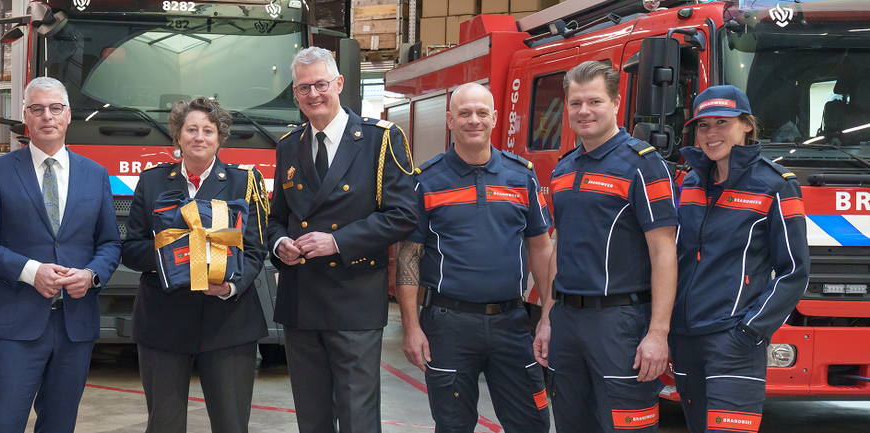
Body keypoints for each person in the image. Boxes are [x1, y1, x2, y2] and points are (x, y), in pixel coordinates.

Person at [267, 47, 418, 432]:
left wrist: (338, 242)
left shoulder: (379, 140)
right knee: (312, 417)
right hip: (301, 301)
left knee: (357, 417)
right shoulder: (288, 145)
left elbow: (404, 215)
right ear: (295, 93)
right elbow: (277, 219)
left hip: (354, 301)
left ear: (339, 83)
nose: (313, 95)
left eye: (321, 84)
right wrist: (279, 244)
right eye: (303, 88)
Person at [0, 76, 122, 433]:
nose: (47, 116)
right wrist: (30, 271)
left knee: (59, 425)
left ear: (68, 116)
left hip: (75, 325)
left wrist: (92, 275)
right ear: (26, 118)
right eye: (37, 109)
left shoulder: (95, 174)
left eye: (55, 108)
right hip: (18, 324)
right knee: (4, 423)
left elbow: (110, 242)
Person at [396, 83, 553, 432]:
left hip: (512, 323)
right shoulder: (426, 181)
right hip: (447, 325)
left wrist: (548, 316)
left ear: (495, 118)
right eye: (464, 113)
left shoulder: (520, 175)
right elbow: (409, 255)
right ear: (450, 120)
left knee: (532, 422)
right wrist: (411, 326)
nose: (474, 120)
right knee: (453, 425)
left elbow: (541, 247)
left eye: (482, 113)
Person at [541, 60, 679, 432]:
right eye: (575, 103)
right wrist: (546, 319)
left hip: (620, 323)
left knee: (627, 425)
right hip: (566, 321)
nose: (584, 111)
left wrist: (658, 333)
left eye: (595, 101)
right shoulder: (563, 169)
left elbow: (664, 251)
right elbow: (558, 245)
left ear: (617, 103)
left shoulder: (644, 165)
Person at [122, 97, 269, 433]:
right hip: (164, 322)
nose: (199, 137)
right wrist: (174, 256)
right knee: (164, 426)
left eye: (208, 130)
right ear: (178, 136)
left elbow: (256, 248)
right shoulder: (152, 181)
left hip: (228, 323)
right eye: (191, 129)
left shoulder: (244, 182)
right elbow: (131, 249)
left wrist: (230, 285)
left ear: (220, 137)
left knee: (232, 425)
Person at [671, 85, 809, 433]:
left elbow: (795, 271)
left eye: (722, 122)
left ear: (746, 125)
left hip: (734, 342)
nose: (711, 133)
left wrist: (750, 330)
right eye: (703, 125)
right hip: (685, 341)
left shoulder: (775, 186)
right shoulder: (688, 184)